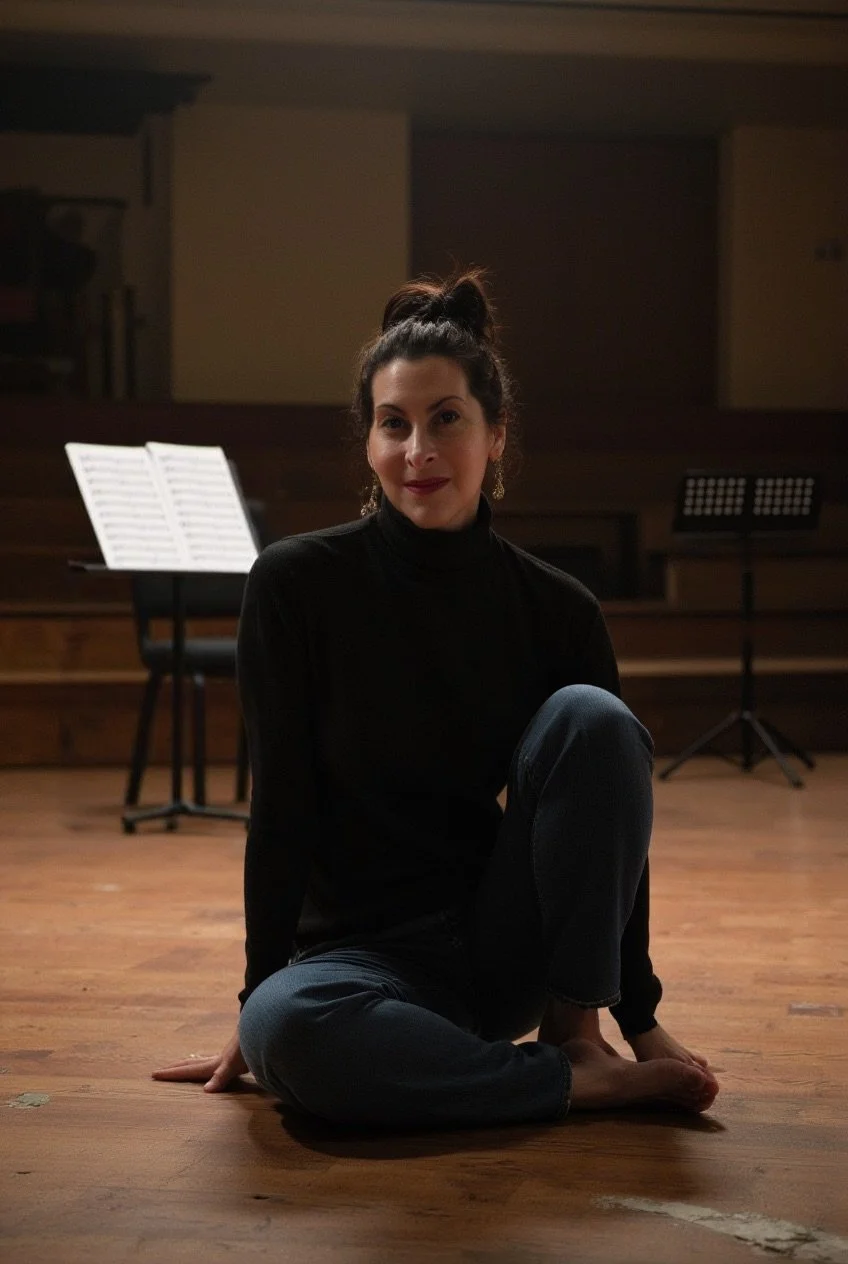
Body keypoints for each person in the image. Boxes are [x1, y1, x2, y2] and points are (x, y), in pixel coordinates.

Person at [154, 271, 719, 1129]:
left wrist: (636, 1015)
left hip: (500, 953)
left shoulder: (557, 606)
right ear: (370, 442)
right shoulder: (297, 584)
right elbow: (282, 808)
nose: (418, 449)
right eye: (394, 424)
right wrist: (255, 1000)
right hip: (356, 958)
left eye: (446, 419)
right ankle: (564, 1085)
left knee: (592, 718)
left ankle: (577, 1036)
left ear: (496, 437)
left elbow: (607, 824)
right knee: (288, 1028)